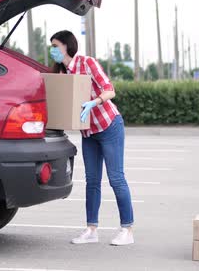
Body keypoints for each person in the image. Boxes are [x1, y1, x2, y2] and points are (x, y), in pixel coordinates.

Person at [49, 30, 134, 246]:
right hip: (88, 133)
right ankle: (91, 230)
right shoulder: (61, 73)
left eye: (55, 46)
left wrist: (94, 102)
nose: (52, 51)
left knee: (116, 178)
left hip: (108, 125)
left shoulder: (87, 63)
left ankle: (127, 229)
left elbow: (109, 90)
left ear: (67, 46)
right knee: (92, 181)